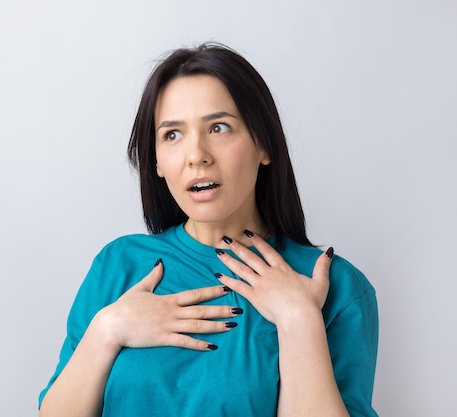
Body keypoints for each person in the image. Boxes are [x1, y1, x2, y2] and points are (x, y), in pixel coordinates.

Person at [38, 43, 378, 417]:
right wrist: (109, 328)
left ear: (263, 144)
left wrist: (299, 320)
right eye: (172, 135)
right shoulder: (118, 266)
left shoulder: (334, 286)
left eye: (218, 127)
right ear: (157, 163)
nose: (196, 154)